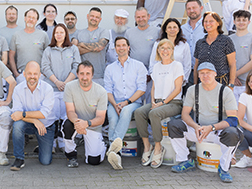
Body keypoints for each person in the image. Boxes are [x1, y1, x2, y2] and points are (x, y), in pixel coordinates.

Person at [168, 62, 243, 183]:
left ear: (215, 74)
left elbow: (233, 119)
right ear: (198, 75)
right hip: (198, 130)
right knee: (174, 125)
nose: (205, 76)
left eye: (208, 73)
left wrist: (212, 127)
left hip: (218, 132)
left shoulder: (225, 91)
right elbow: (185, 114)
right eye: (202, 73)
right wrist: (196, 126)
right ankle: (185, 161)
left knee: (233, 133)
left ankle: (224, 168)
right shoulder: (193, 90)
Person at [134, 39, 184, 169]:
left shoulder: (177, 65)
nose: (165, 51)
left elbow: (177, 89)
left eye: (168, 48)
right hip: (157, 102)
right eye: (162, 48)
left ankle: (158, 147)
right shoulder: (156, 66)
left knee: (154, 114)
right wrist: (152, 101)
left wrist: (162, 102)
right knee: (139, 112)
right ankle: (147, 146)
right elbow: (154, 87)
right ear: (158, 51)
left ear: (172, 50)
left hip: (173, 103)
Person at [104, 37, 147, 170]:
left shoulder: (138, 65)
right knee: (112, 117)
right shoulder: (109, 68)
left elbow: (142, 89)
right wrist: (115, 104)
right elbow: (108, 90)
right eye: (118, 46)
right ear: (115, 49)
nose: (121, 48)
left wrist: (126, 102)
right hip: (114, 102)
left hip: (133, 102)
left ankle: (112, 148)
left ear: (128, 47)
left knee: (126, 111)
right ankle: (115, 155)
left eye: (123, 45)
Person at [41, 23, 81, 152]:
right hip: (52, 88)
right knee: (51, 118)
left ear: (65, 34)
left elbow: (76, 66)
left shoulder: (73, 49)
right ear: (54, 35)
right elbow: (45, 67)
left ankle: (65, 143)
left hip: (68, 89)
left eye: (61, 32)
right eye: (56, 32)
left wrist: (66, 83)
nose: (59, 35)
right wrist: (57, 82)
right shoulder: (48, 50)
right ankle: (51, 144)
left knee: (65, 117)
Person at [62, 61, 108, 168]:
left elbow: (101, 118)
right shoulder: (69, 87)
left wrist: (86, 123)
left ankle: (104, 145)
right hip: (76, 123)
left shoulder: (101, 92)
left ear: (92, 75)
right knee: (67, 126)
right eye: (82, 73)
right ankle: (71, 155)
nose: (84, 77)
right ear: (77, 74)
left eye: (88, 74)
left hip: (92, 125)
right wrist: (78, 123)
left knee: (94, 161)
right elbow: (70, 111)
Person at [10, 61, 56, 171]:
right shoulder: (18, 89)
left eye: (35, 74)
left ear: (40, 75)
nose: (32, 77)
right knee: (17, 125)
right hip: (29, 124)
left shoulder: (48, 89)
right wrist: (35, 120)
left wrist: (26, 115)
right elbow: (16, 114)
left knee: (45, 161)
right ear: (24, 74)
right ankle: (19, 159)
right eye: (29, 73)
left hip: (45, 126)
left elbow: (43, 113)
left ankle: (41, 147)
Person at [193, 11, 236, 87]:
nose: (208, 24)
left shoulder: (226, 41)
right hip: (203, 85)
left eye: (211, 21)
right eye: (205, 21)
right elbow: (196, 66)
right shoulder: (199, 43)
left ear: (218, 23)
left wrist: (231, 84)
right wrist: (195, 85)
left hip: (221, 84)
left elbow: (232, 64)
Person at [228, 10, 252, 99]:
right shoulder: (228, 40)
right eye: (238, 20)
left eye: (244, 20)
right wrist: (232, 77)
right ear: (234, 21)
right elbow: (225, 60)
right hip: (232, 83)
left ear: (249, 22)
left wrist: (235, 74)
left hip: (249, 84)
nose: (241, 22)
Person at [9, 8, 49, 83]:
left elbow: (49, 55)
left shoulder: (43, 35)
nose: (31, 19)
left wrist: (44, 73)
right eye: (29, 17)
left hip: (39, 76)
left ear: (37, 21)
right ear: (25, 18)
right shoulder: (16, 35)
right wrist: (16, 74)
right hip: (21, 75)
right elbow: (11, 56)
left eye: (33, 18)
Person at [72, 7, 109, 85]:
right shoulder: (78, 33)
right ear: (87, 16)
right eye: (92, 16)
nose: (94, 18)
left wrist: (82, 44)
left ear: (100, 19)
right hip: (82, 76)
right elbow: (75, 50)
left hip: (99, 76)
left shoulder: (104, 32)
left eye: (97, 17)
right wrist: (94, 47)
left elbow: (100, 47)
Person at [149, 18, 192, 84]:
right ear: (165, 30)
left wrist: (182, 81)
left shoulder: (184, 45)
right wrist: (156, 79)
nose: (172, 29)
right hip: (160, 81)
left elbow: (187, 66)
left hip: (177, 82)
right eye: (169, 27)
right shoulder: (158, 43)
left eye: (174, 27)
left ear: (178, 29)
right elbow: (153, 63)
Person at [180, 0, 206, 86]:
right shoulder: (182, 29)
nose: (191, 11)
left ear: (201, 8)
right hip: (187, 71)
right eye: (189, 8)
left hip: (204, 71)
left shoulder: (207, 26)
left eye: (194, 8)